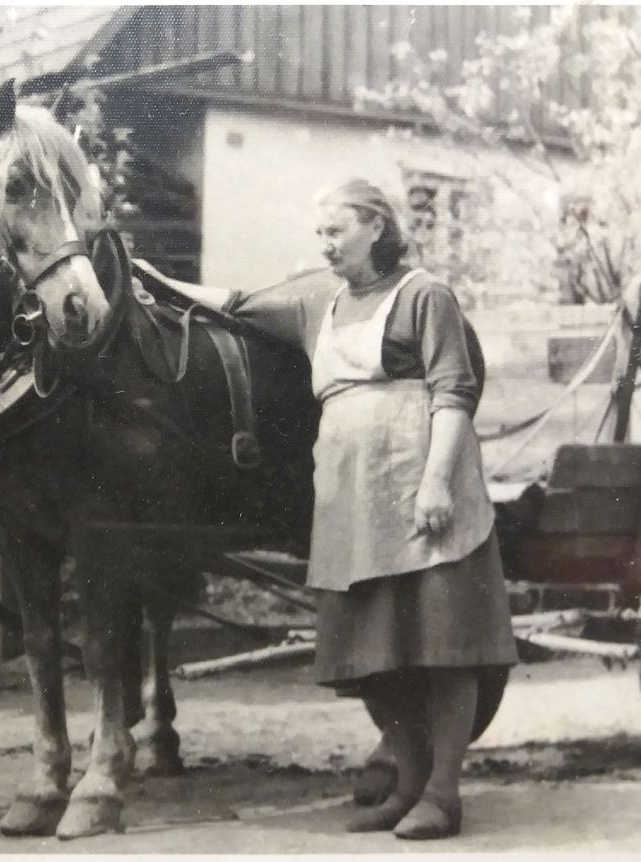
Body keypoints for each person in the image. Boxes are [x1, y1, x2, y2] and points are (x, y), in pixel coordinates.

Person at [188, 178, 517, 839]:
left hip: (422, 482)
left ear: (375, 226)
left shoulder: (425, 295)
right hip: (350, 497)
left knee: (443, 646)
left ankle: (444, 793)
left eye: (335, 231)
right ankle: (409, 783)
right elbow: (235, 301)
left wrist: (437, 483)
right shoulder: (319, 301)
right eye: (320, 234)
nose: (324, 245)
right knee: (368, 650)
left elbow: (454, 391)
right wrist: (133, 274)